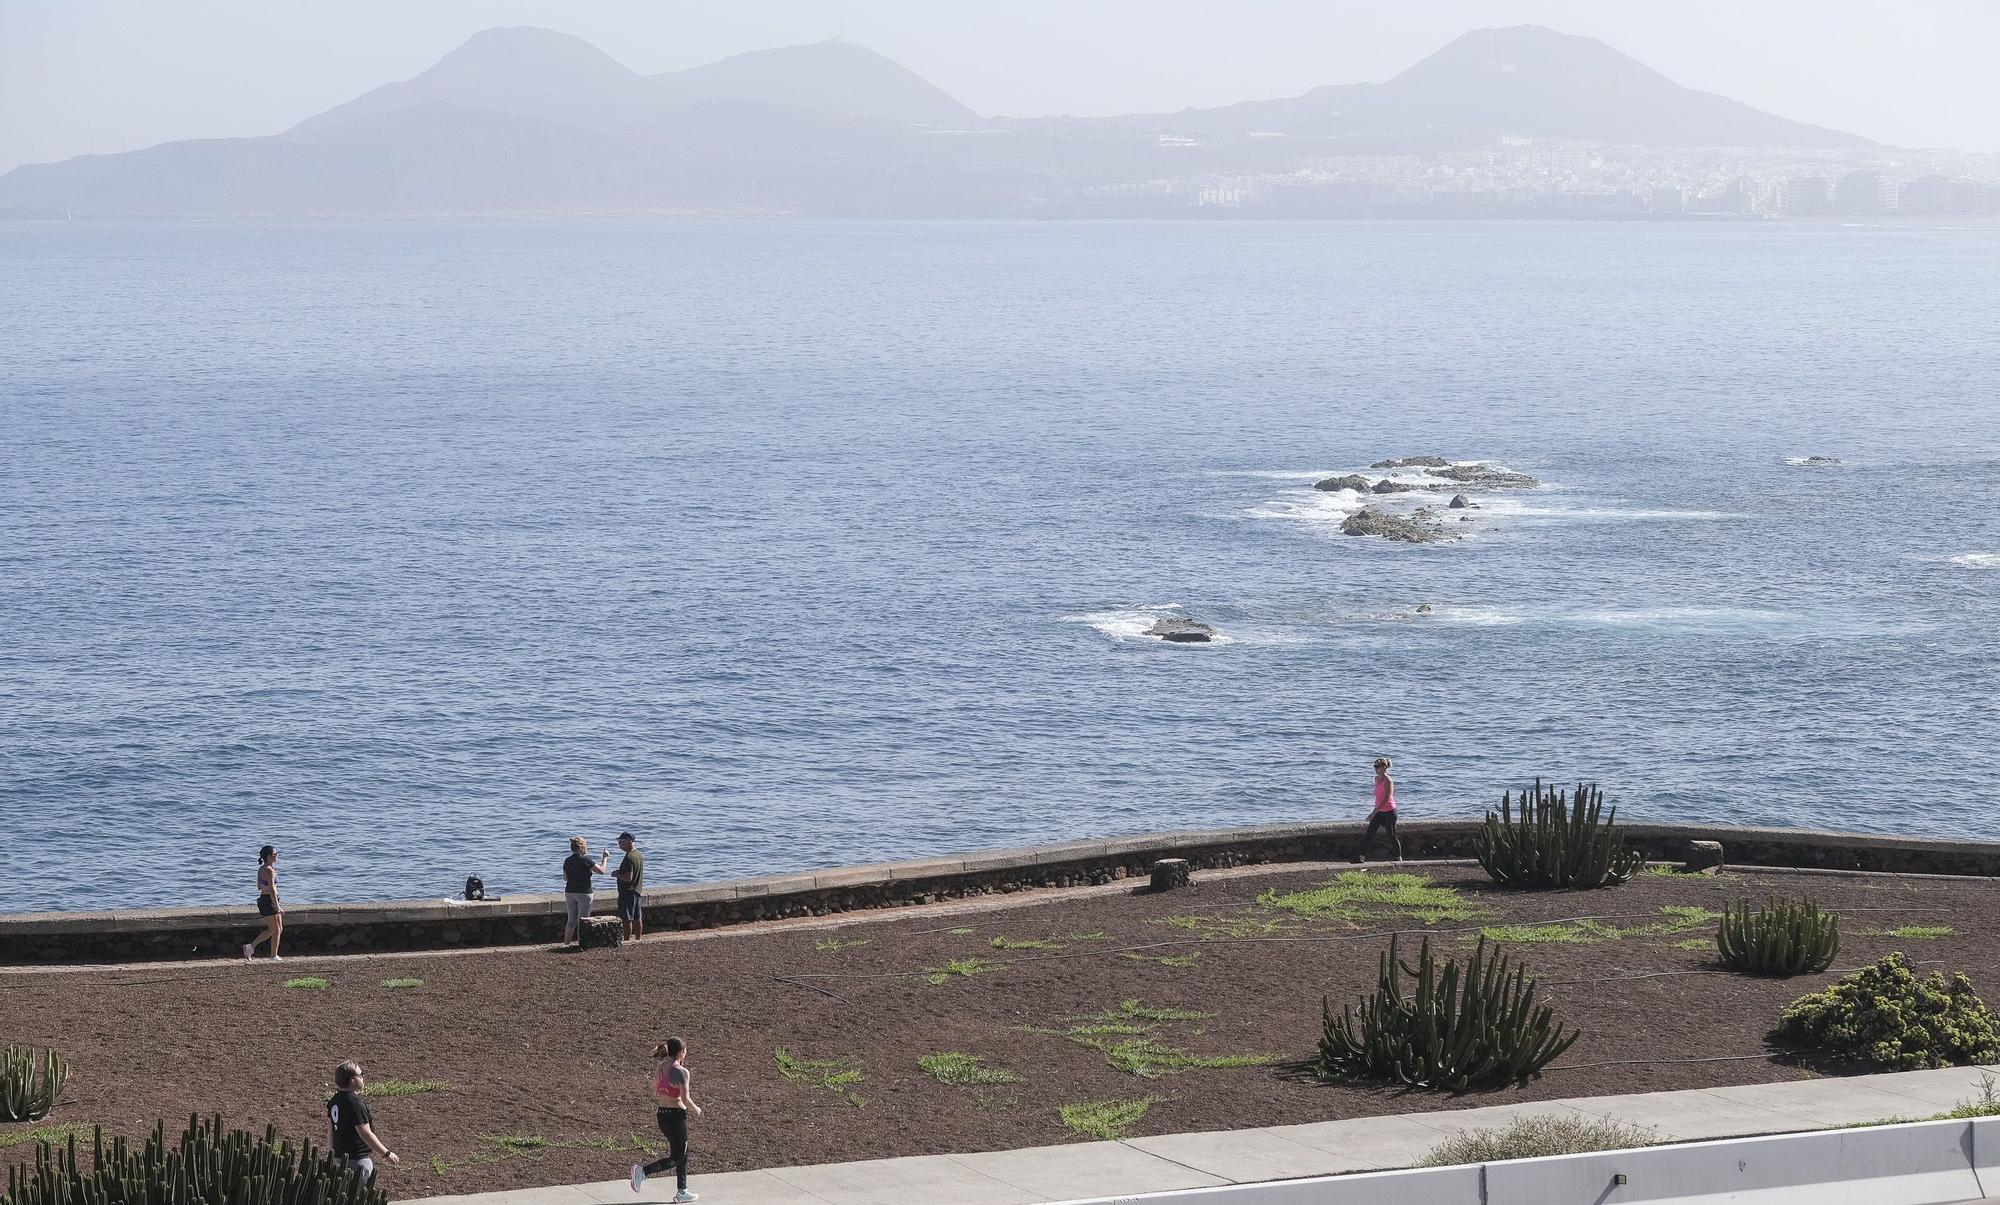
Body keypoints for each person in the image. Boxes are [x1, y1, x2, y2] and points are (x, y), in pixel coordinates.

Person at [630, 1037, 701, 1202]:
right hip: (676, 1118)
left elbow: (656, 1089)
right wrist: (696, 1109)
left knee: (684, 1151)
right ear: (681, 1052)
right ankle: (642, 1172)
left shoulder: (661, 1067)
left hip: (662, 1115)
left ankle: (682, 1191)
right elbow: (685, 1099)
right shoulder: (682, 1072)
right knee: (677, 1157)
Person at [327, 1061, 399, 1183]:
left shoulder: (334, 1100)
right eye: (361, 1074)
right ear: (352, 1079)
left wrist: (332, 1155)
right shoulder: (356, 1103)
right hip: (357, 1161)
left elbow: (330, 1131)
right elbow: (365, 1133)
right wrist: (386, 1154)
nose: (363, 1077)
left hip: (338, 1158)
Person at [562, 836, 609, 947]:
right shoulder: (586, 859)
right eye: (586, 845)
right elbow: (602, 871)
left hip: (570, 891)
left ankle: (566, 944)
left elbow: (565, 878)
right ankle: (583, 943)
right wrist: (605, 858)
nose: (587, 847)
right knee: (584, 920)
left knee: (571, 921)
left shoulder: (567, 860)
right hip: (584, 892)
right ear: (581, 847)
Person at [1357, 757, 1402, 863]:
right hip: (1379, 811)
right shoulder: (1376, 779)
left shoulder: (1388, 780)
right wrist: (1375, 811)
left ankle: (1399, 858)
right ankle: (1361, 857)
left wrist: (1373, 813)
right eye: (1374, 766)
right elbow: (1378, 798)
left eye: (1377, 766)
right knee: (1370, 833)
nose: (1375, 769)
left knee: (1391, 835)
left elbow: (1386, 799)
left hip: (1389, 812)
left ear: (1384, 767)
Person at [243, 845, 283, 960]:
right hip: (269, 900)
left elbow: (259, 887)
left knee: (277, 929)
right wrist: (277, 906)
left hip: (265, 899)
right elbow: (272, 890)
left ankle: (250, 947)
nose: (277, 856)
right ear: (269, 856)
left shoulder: (261, 868)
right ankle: (273, 956)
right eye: (275, 854)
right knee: (276, 930)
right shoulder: (269, 870)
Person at [614, 831, 646, 941]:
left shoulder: (629, 857)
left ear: (628, 842)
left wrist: (617, 874)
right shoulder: (638, 854)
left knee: (627, 918)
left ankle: (627, 940)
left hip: (627, 891)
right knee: (637, 917)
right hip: (637, 890)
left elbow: (628, 878)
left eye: (621, 842)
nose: (619, 844)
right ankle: (638, 939)